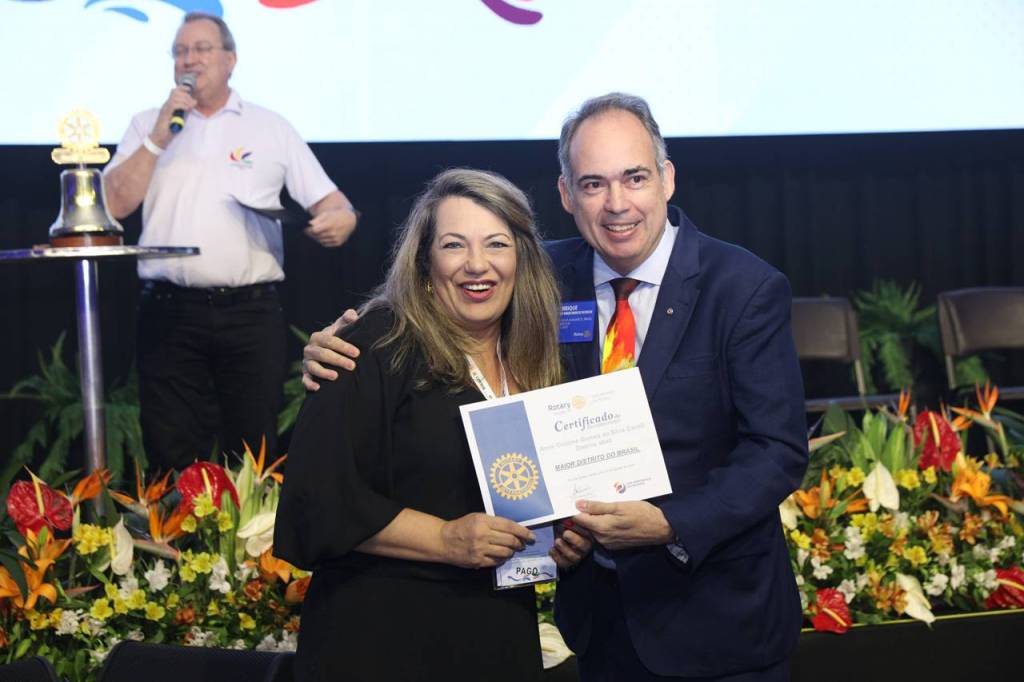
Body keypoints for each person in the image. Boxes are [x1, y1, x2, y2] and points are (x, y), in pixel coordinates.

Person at [303, 93, 808, 681]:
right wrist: (345, 342)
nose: (616, 204)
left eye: (634, 178)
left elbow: (776, 451)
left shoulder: (743, 287)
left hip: (717, 623)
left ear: (667, 179)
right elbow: (438, 297)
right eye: (593, 184)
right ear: (566, 194)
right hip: (597, 623)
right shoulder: (540, 278)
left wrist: (670, 523)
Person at [274, 169, 590, 682]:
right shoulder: (374, 345)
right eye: (453, 245)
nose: (477, 264)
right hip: (380, 642)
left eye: (496, 244)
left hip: (496, 636)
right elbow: (316, 501)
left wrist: (563, 538)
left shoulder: (538, 360)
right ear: (425, 261)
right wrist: (444, 539)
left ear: (522, 258)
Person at [103, 11, 358, 471]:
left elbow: (335, 203)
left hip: (249, 313)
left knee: (253, 448)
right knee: (168, 445)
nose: (189, 60)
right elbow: (114, 205)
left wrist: (342, 220)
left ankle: (253, 523)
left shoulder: (269, 127)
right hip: (168, 310)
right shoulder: (147, 125)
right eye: (180, 51)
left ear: (231, 59)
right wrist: (159, 137)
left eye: (202, 49)